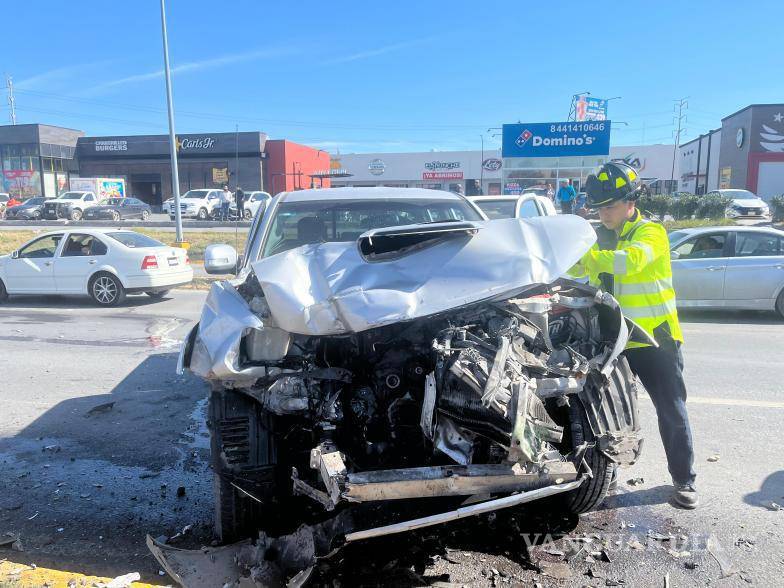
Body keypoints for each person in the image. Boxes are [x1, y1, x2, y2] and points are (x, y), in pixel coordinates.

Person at [570, 161, 698, 509]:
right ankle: (605, 478)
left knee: (670, 410)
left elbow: (629, 262)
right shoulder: (603, 238)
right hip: (616, 343)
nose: (603, 213)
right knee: (609, 414)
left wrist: (590, 259)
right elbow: (582, 273)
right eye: (598, 207)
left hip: (654, 341)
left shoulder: (651, 233)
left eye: (609, 206)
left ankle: (685, 480)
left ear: (630, 202)